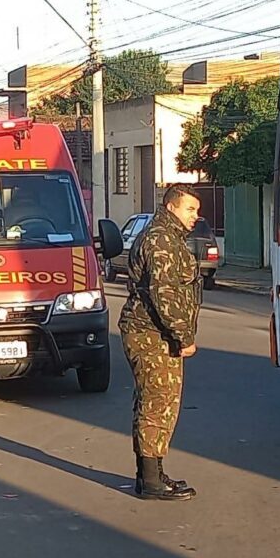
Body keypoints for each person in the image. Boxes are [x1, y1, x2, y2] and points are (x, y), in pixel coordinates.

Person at [119, 183, 202, 502]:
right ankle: (151, 480)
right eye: (190, 209)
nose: (196, 216)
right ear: (171, 207)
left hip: (153, 331)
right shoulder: (162, 240)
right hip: (150, 332)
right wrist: (184, 337)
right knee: (158, 402)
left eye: (196, 210)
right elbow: (163, 293)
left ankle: (151, 473)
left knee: (157, 402)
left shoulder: (168, 237)